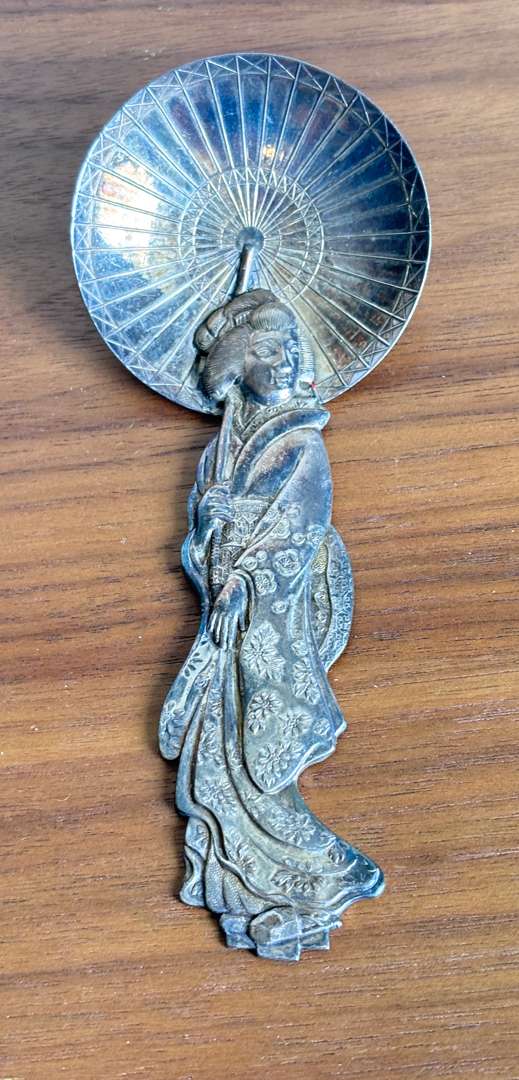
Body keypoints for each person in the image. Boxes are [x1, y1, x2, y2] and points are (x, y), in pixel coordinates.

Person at [159, 289, 383, 959]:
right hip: (228, 621)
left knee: (260, 742)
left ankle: (314, 878)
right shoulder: (222, 449)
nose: (284, 362)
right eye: (267, 351)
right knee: (216, 748)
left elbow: (297, 528)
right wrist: (207, 527)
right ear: (238, 362)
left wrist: (245, 581)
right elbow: (203, 540)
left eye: (290, 349)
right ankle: (245, 887)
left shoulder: (300, 441)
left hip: (270, 616)